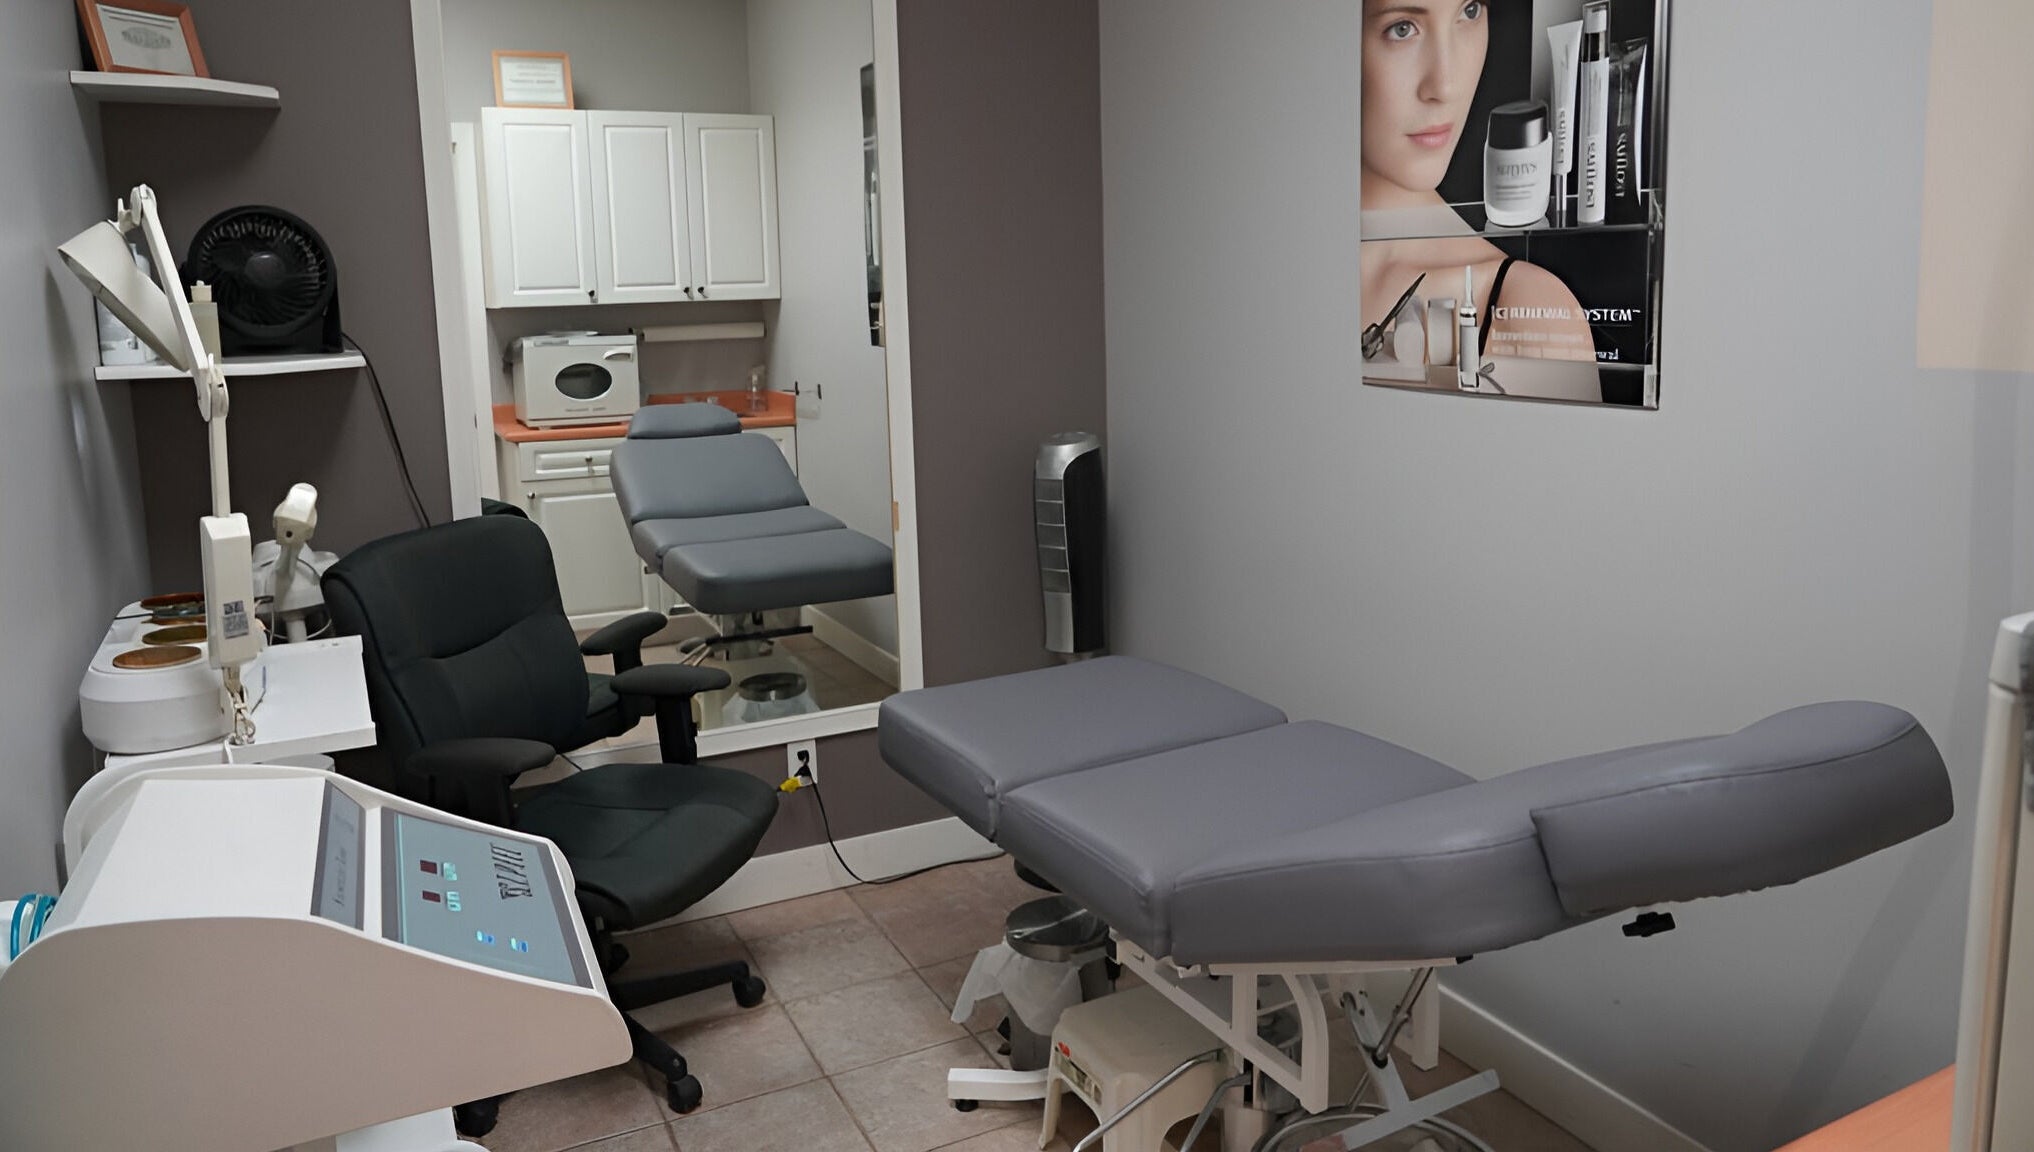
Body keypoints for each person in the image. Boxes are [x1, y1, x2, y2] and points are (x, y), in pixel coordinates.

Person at [1360, 0, 1596, 367]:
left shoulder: (1524, 310)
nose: (1446, 85)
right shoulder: (1269, 265)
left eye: (1470, 10)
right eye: (1402, 28)